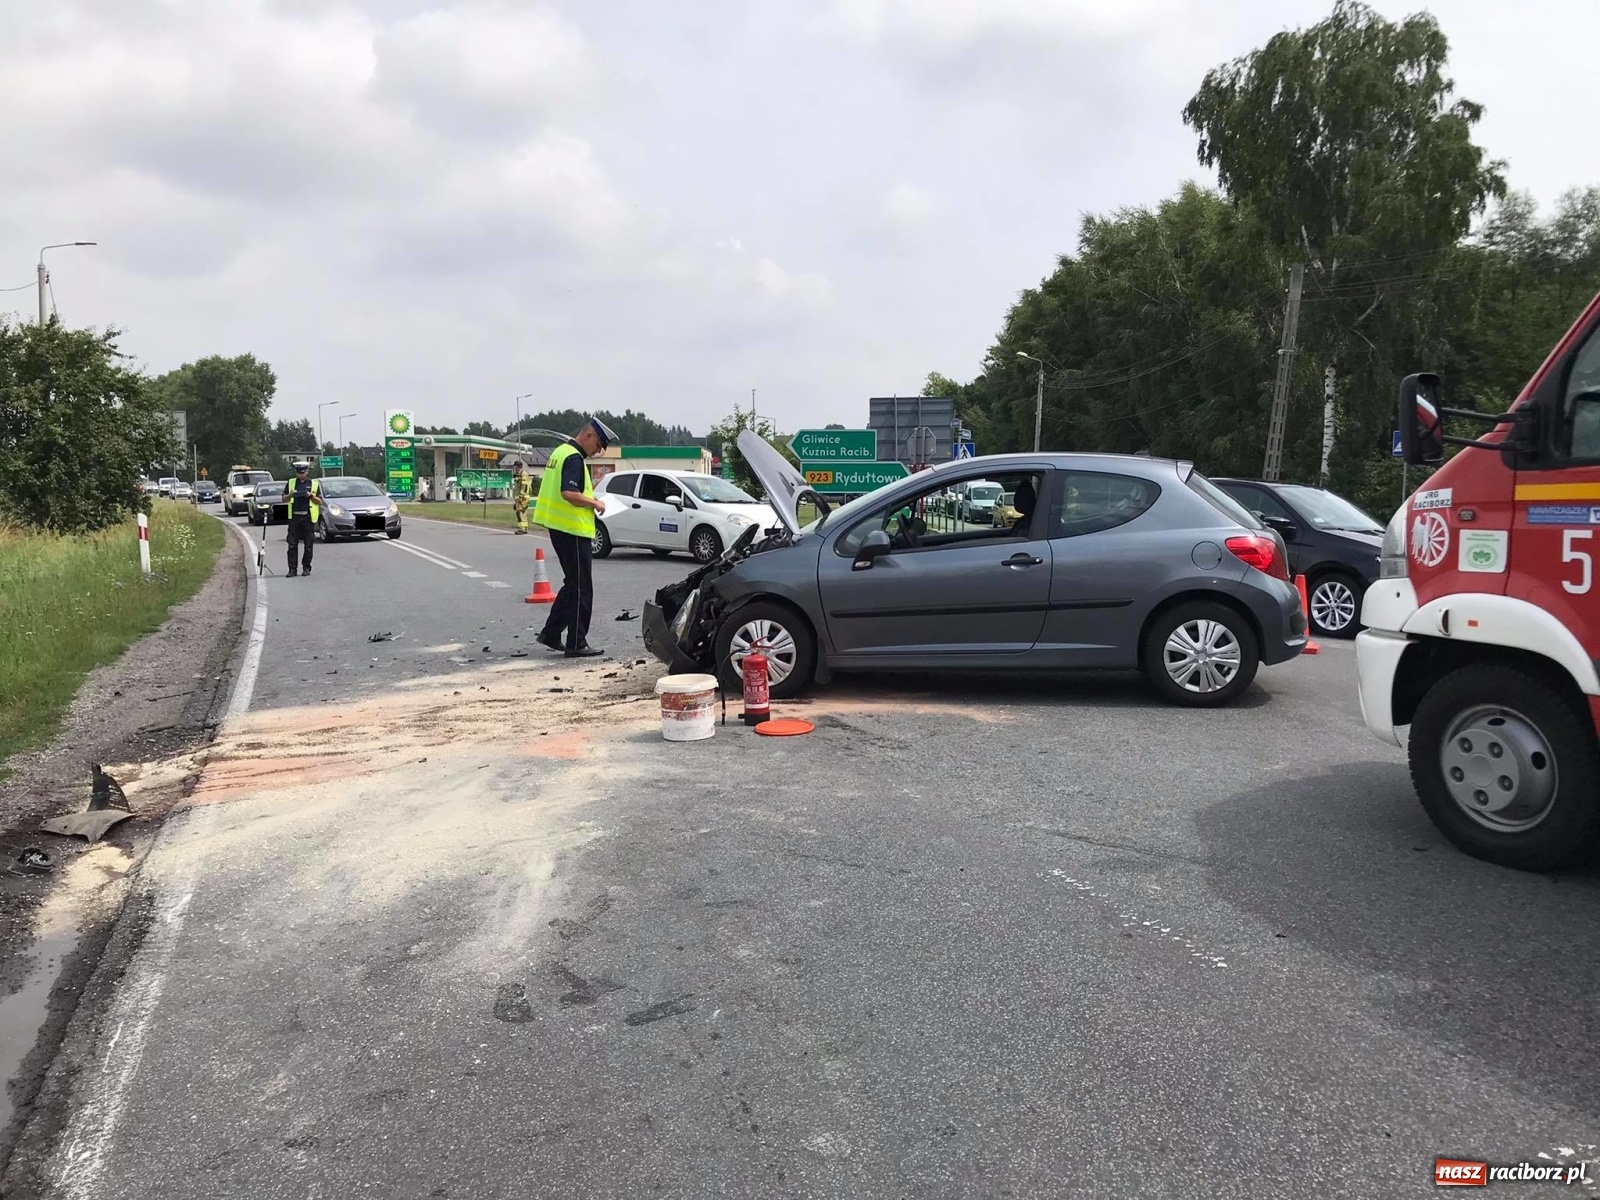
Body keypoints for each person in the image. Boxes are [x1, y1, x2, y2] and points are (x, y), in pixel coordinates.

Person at [533, 417, 615, 657]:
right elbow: (569, 492)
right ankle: (576, 642)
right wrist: (595, 503)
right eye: (598, 445)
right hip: (572, 530)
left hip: (560, 527)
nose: (598, 451)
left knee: (572, 584)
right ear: (589, 436)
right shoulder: (573, 457)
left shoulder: (560, 452)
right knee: (581, 588)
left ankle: (551, 633)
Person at [281, 462, 323, 578]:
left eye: (303, 473)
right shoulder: (291, 483)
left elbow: (319, 501)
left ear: (307, 472)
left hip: (308, 518)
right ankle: (292, 569)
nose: (301, 475)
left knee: (308, 545)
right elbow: (283, 499)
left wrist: (310, 496)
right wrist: (290, 495)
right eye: (299, 473)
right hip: (294, 518)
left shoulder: (313, 484)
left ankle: (306, 568)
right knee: (292, 545)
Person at [512, 460, 532, 534]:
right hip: (519, 498)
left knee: (520, 513)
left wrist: (521, 496)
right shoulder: (519, 474)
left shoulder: (523, 474)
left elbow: (525, 486)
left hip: (522, 498)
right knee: (522, 513)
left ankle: (522, 529)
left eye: (514, 467)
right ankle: (524, 528)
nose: (514, 468)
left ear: (517, 467)